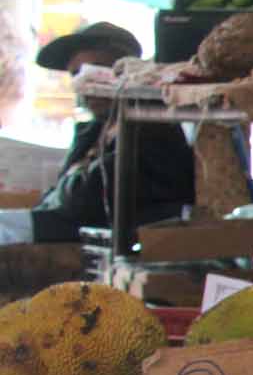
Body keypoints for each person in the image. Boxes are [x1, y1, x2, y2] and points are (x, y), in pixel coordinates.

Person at [31, 23, 197, 236]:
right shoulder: (93, 131)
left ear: (126, 70)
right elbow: (57, 199)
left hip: (132, 243)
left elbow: (87, 199)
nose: (85, 83)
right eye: (76, 74)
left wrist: (69, 185)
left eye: (96, 71)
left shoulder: (151, 125)